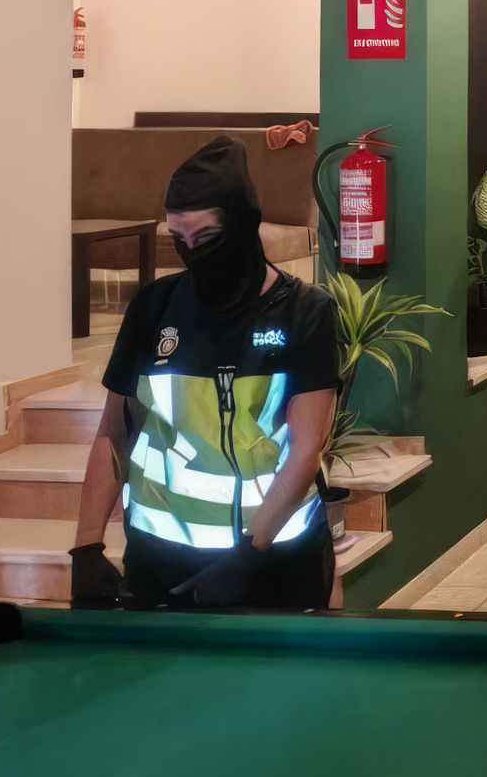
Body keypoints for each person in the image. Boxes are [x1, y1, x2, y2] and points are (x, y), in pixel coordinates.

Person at [69, 137, 339, 610]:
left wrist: (251, 552)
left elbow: (306, 446)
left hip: (274, 557)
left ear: (243, 224)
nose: (192, 251)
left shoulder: (304, 311)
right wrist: (87, 547)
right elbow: (113, 434)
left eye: (207, 237)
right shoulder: (154, 308)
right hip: (161, 560)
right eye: (179, 238)